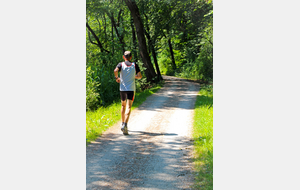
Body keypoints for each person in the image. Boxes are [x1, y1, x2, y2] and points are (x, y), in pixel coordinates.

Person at [114, 51, 142, 135]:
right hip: (131, 89)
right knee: (129, 107)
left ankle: (122, 123)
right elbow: (140, 76)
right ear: (131, 57)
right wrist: (133, 76)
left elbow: (115, 70)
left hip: (122, 89)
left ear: (124, 57)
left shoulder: (121, 64)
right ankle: (125, 125)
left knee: (123, 105)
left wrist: (117, 78)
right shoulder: (134, 65)